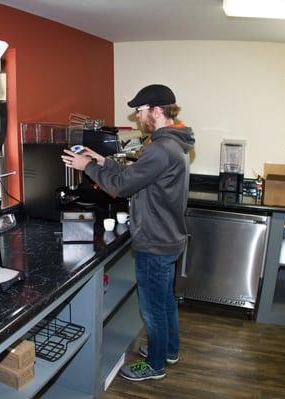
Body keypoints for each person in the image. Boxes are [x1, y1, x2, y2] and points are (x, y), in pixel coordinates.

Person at [61, 84, 195, 381]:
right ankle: (168, 350)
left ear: (157, 111)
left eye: (140, 110)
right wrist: (102, 161)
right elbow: (136, 174)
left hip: (155, 240)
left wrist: (87, 167)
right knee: (166, 301)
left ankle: (155, 365)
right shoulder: (173, 144)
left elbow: (121, 187)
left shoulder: (161, 148)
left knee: (152, 309)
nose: (137, 116)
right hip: (169, 236)